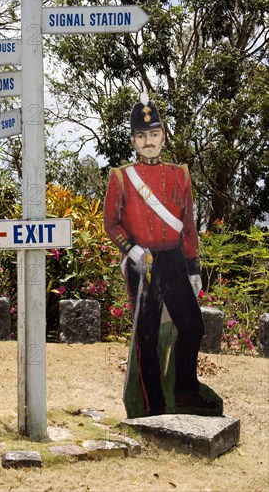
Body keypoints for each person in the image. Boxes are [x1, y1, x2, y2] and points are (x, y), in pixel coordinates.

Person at [103, 94, 222, 418]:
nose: (148, 141)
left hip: (172, 258)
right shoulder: (121, 177)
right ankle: (153, 406)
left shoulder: (180, 174)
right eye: (141, 136)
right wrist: (131, 249)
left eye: (154, 134)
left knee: (193, 325)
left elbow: (187, 225)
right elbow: (110, 224)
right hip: (143, 262)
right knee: (148, 334)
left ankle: (184, 392)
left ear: (163, 136)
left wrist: (192, 265)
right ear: (133, 140)